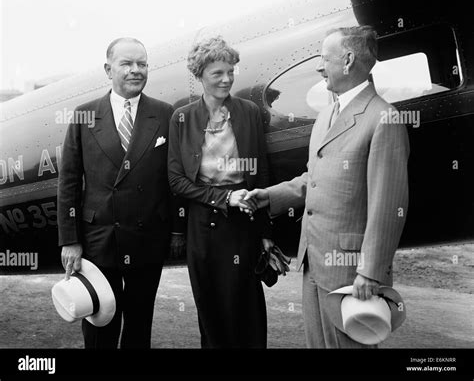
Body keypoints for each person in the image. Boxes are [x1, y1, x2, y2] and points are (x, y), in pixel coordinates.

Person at [245, 26, 409, 348]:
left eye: (324, 58)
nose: (319, 67)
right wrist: (270, 196)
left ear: (347, 60)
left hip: (350, 272)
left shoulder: (383, 118)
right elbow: (315, 178)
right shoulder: (327, 114)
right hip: (314, 261)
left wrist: (371, 272)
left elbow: (388, 206)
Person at [57, 37, 185, 349]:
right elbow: (69, 184)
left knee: (140, 326)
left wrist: (178, 230)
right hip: (99, 241)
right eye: (126, 64)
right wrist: (70, 241)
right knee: (100, 325)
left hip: (147, 239)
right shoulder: (84, 116)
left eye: (142, 64)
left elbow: (174, 179)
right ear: (108, 69)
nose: (135, 70)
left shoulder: (165, 114)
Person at [168, 36, 273, 348]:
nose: (226, 79)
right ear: (199, 75)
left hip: (245, 222)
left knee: (249, 312)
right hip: (203, 225)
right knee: (212, 314)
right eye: (217, 73)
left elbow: (262, 173)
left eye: (231, 71)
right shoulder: (181, 118)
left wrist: (266, 230)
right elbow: (176, 181)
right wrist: (224, 198)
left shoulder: (250, 112)